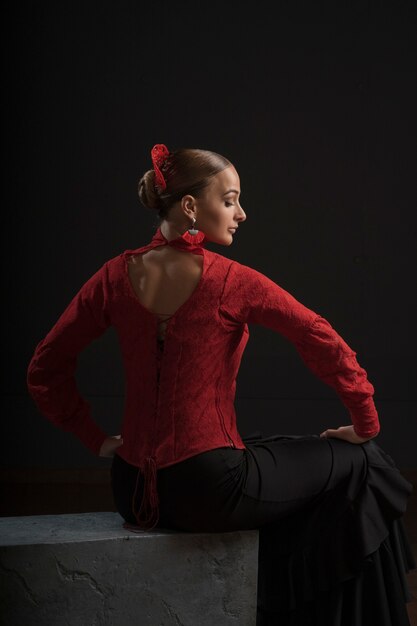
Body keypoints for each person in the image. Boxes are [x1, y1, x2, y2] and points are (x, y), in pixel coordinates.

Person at [27, 143, 415, 625]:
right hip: (209, 491)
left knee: (276, 449)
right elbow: (319, 337)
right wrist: (365, 423)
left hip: (130, 488)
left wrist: (96, 439)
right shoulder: (231, 280)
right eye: (230, 200)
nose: (242, 213)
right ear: (190, 206)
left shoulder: (113, 277)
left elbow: (44, 368)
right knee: (363, 461)